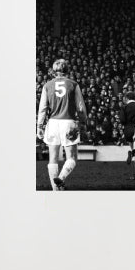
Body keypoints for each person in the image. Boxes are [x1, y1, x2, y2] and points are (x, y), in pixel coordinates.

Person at [36, 58, 87, 192]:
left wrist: (39, 126)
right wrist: (83, 121)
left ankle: (55, 190)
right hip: (69, 122)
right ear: (67, 70)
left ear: (54, 71)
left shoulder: (47, 85)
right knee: (72, 157)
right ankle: (62, 178)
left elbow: (42, 108)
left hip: (52, 123)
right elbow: (80, 107)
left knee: (52, 158)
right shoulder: (73, 84)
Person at [120, 87, 135, 177]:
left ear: (127, 98)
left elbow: (122, 120)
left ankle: (132, 152)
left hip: (128, 130)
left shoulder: (124, 107)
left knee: (134, 149)